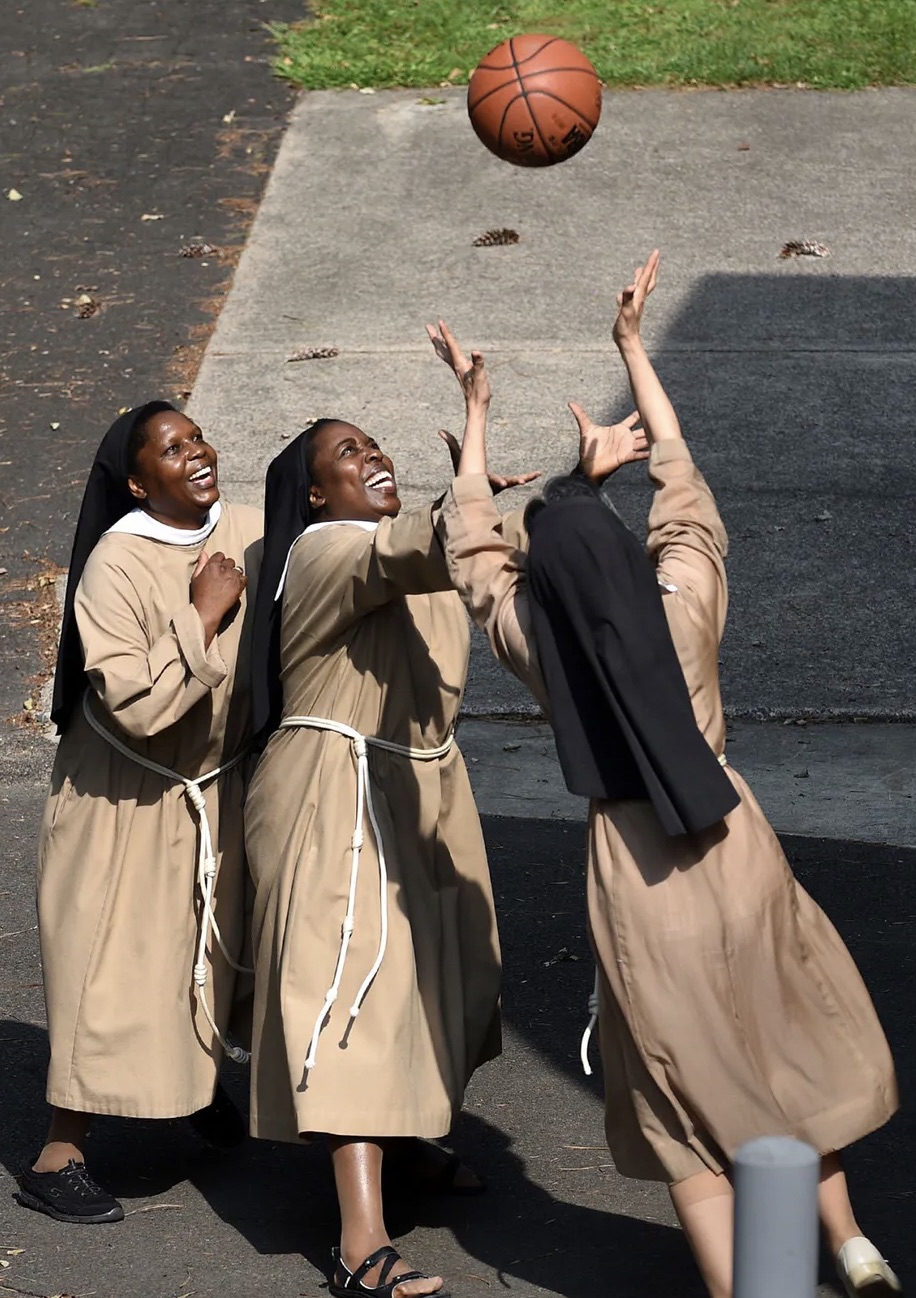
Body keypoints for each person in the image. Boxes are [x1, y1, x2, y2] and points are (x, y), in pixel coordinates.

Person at [429, 253, 901, 1298]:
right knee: (779, 1037)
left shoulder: (536, 650)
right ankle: (851, 1244)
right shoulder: (682, 603)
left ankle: (751, 1287)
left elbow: (476, 551)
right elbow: (680, 477)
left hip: (634, 872)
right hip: (733, 839)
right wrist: (631, 348)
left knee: (686, 1092)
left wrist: (476, 415)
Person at [245, 409, 535, 1298]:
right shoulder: (323, 551)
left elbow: (473, 547)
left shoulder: (398, 550)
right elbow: (421, 545)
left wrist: (565, 486)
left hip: (412, 787)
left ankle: (405, 1150)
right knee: (355, 995)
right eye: (347, 454)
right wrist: (473, 452)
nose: (372, 457)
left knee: (431, 979)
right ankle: (359, 1241)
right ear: (315, 492)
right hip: (337, 790)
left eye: (373, 444)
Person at [17, 403, 263, 1225]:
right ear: (134, 481)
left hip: (209, 788)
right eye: (171, 448)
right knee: (110, 969)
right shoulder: (114, 566)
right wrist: (203, 613)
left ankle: (186, 1090)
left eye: (197, 438)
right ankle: (60, 1152)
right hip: (121, 800)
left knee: (201, 952)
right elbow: (137, 706)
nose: (196, 452)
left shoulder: (252, 526)